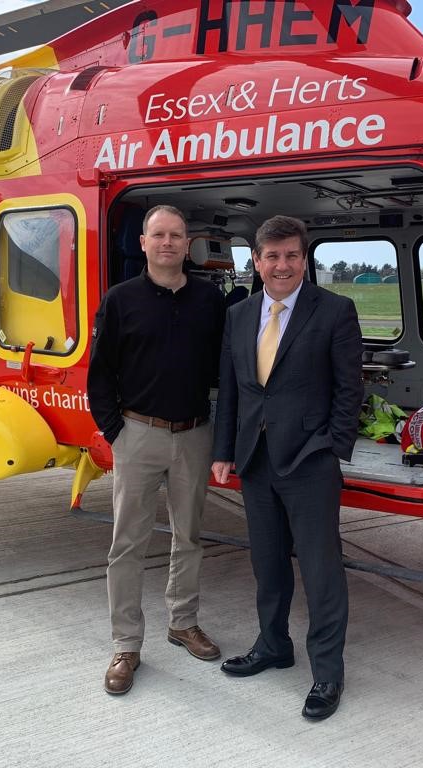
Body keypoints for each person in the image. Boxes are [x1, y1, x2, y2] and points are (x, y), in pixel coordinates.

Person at [211, 215, 363, 720]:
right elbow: (232, 388)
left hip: (309, 461)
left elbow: (349, 390)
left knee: (321, 573)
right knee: (268, 565)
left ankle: (326, 673)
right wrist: (223, 450)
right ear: (256, 261)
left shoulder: (335, 311)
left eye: (292, 256)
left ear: (304, 259)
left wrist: (332, 447)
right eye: (272, 256)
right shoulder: (239, 315)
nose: (282, 265)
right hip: (255, 460)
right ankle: (273, 645)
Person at [87, 204, 226, 695]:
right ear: (142, 243)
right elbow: (99, 374)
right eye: (158, 235)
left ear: (188, 245)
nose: (168, 243)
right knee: (127, 544)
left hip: (193, 434)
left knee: (188, 535)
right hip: (137, 434)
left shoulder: (210, 301)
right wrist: (115, 431)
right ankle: (126, 645)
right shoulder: (121, 300)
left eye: (177, 235)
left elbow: (223, 372)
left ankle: (182, 622)